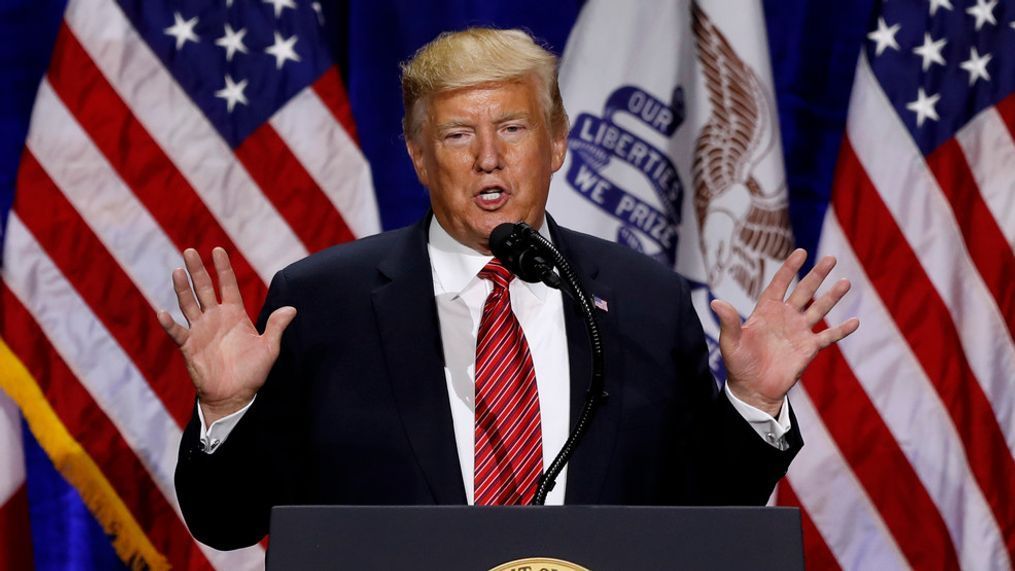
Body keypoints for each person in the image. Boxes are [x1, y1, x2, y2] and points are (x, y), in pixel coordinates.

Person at [159, 28, 859, 550]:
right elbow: (229, 522)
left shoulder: (644, 299)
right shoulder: (323, 302)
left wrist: (753, 403)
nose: (488, 156)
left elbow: (703, 517)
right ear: (417, 155)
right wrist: (225, 408)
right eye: (458, 133)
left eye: (513, 128)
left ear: (556, 142)